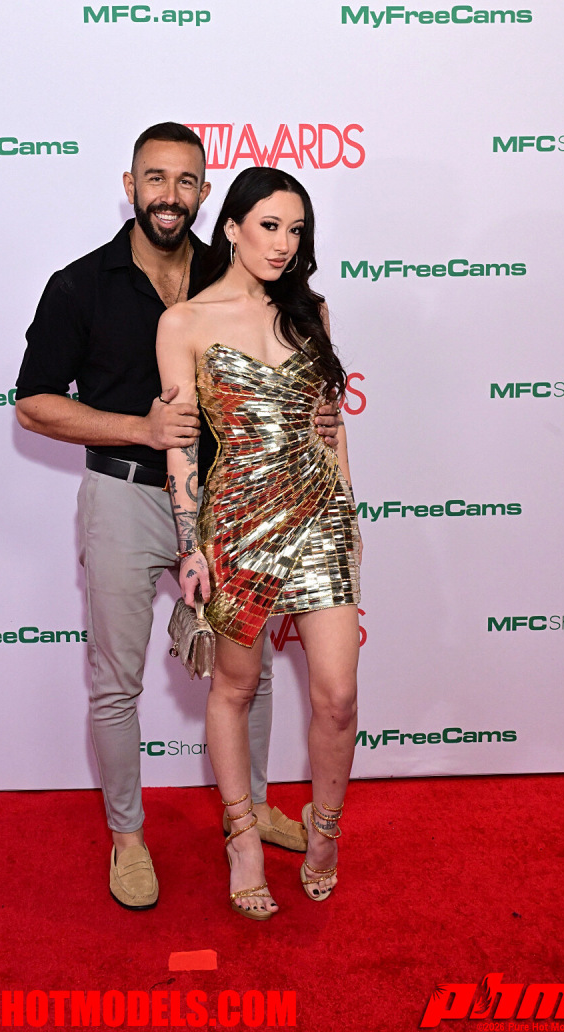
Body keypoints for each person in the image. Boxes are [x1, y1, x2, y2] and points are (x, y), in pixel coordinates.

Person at [15, 124, 340, 909]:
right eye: (155, 179)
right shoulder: (78, 285)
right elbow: (33, 404)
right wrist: (141, 428)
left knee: (249, 671)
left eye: (186, 181)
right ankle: (127, 835)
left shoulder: (235, 269)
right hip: (126, 495)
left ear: (205, 195)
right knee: (116, 680)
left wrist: (316, 421)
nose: (170, 195)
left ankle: (250, 809)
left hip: (230, 503)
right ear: (130, 187)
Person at [157, 166, 362, 919]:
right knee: (235, 689)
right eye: (269, 226)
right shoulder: (184, 323)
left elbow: (330, 423)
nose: (283, 244)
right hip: (238, 526)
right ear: (232, 228)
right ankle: (242, 837)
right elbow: (182, 446)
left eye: (295, 230)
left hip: (319, 516)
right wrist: (191, 544)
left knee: (337, 696)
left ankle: (325, 828)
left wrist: (350, 510)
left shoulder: (312, 311)